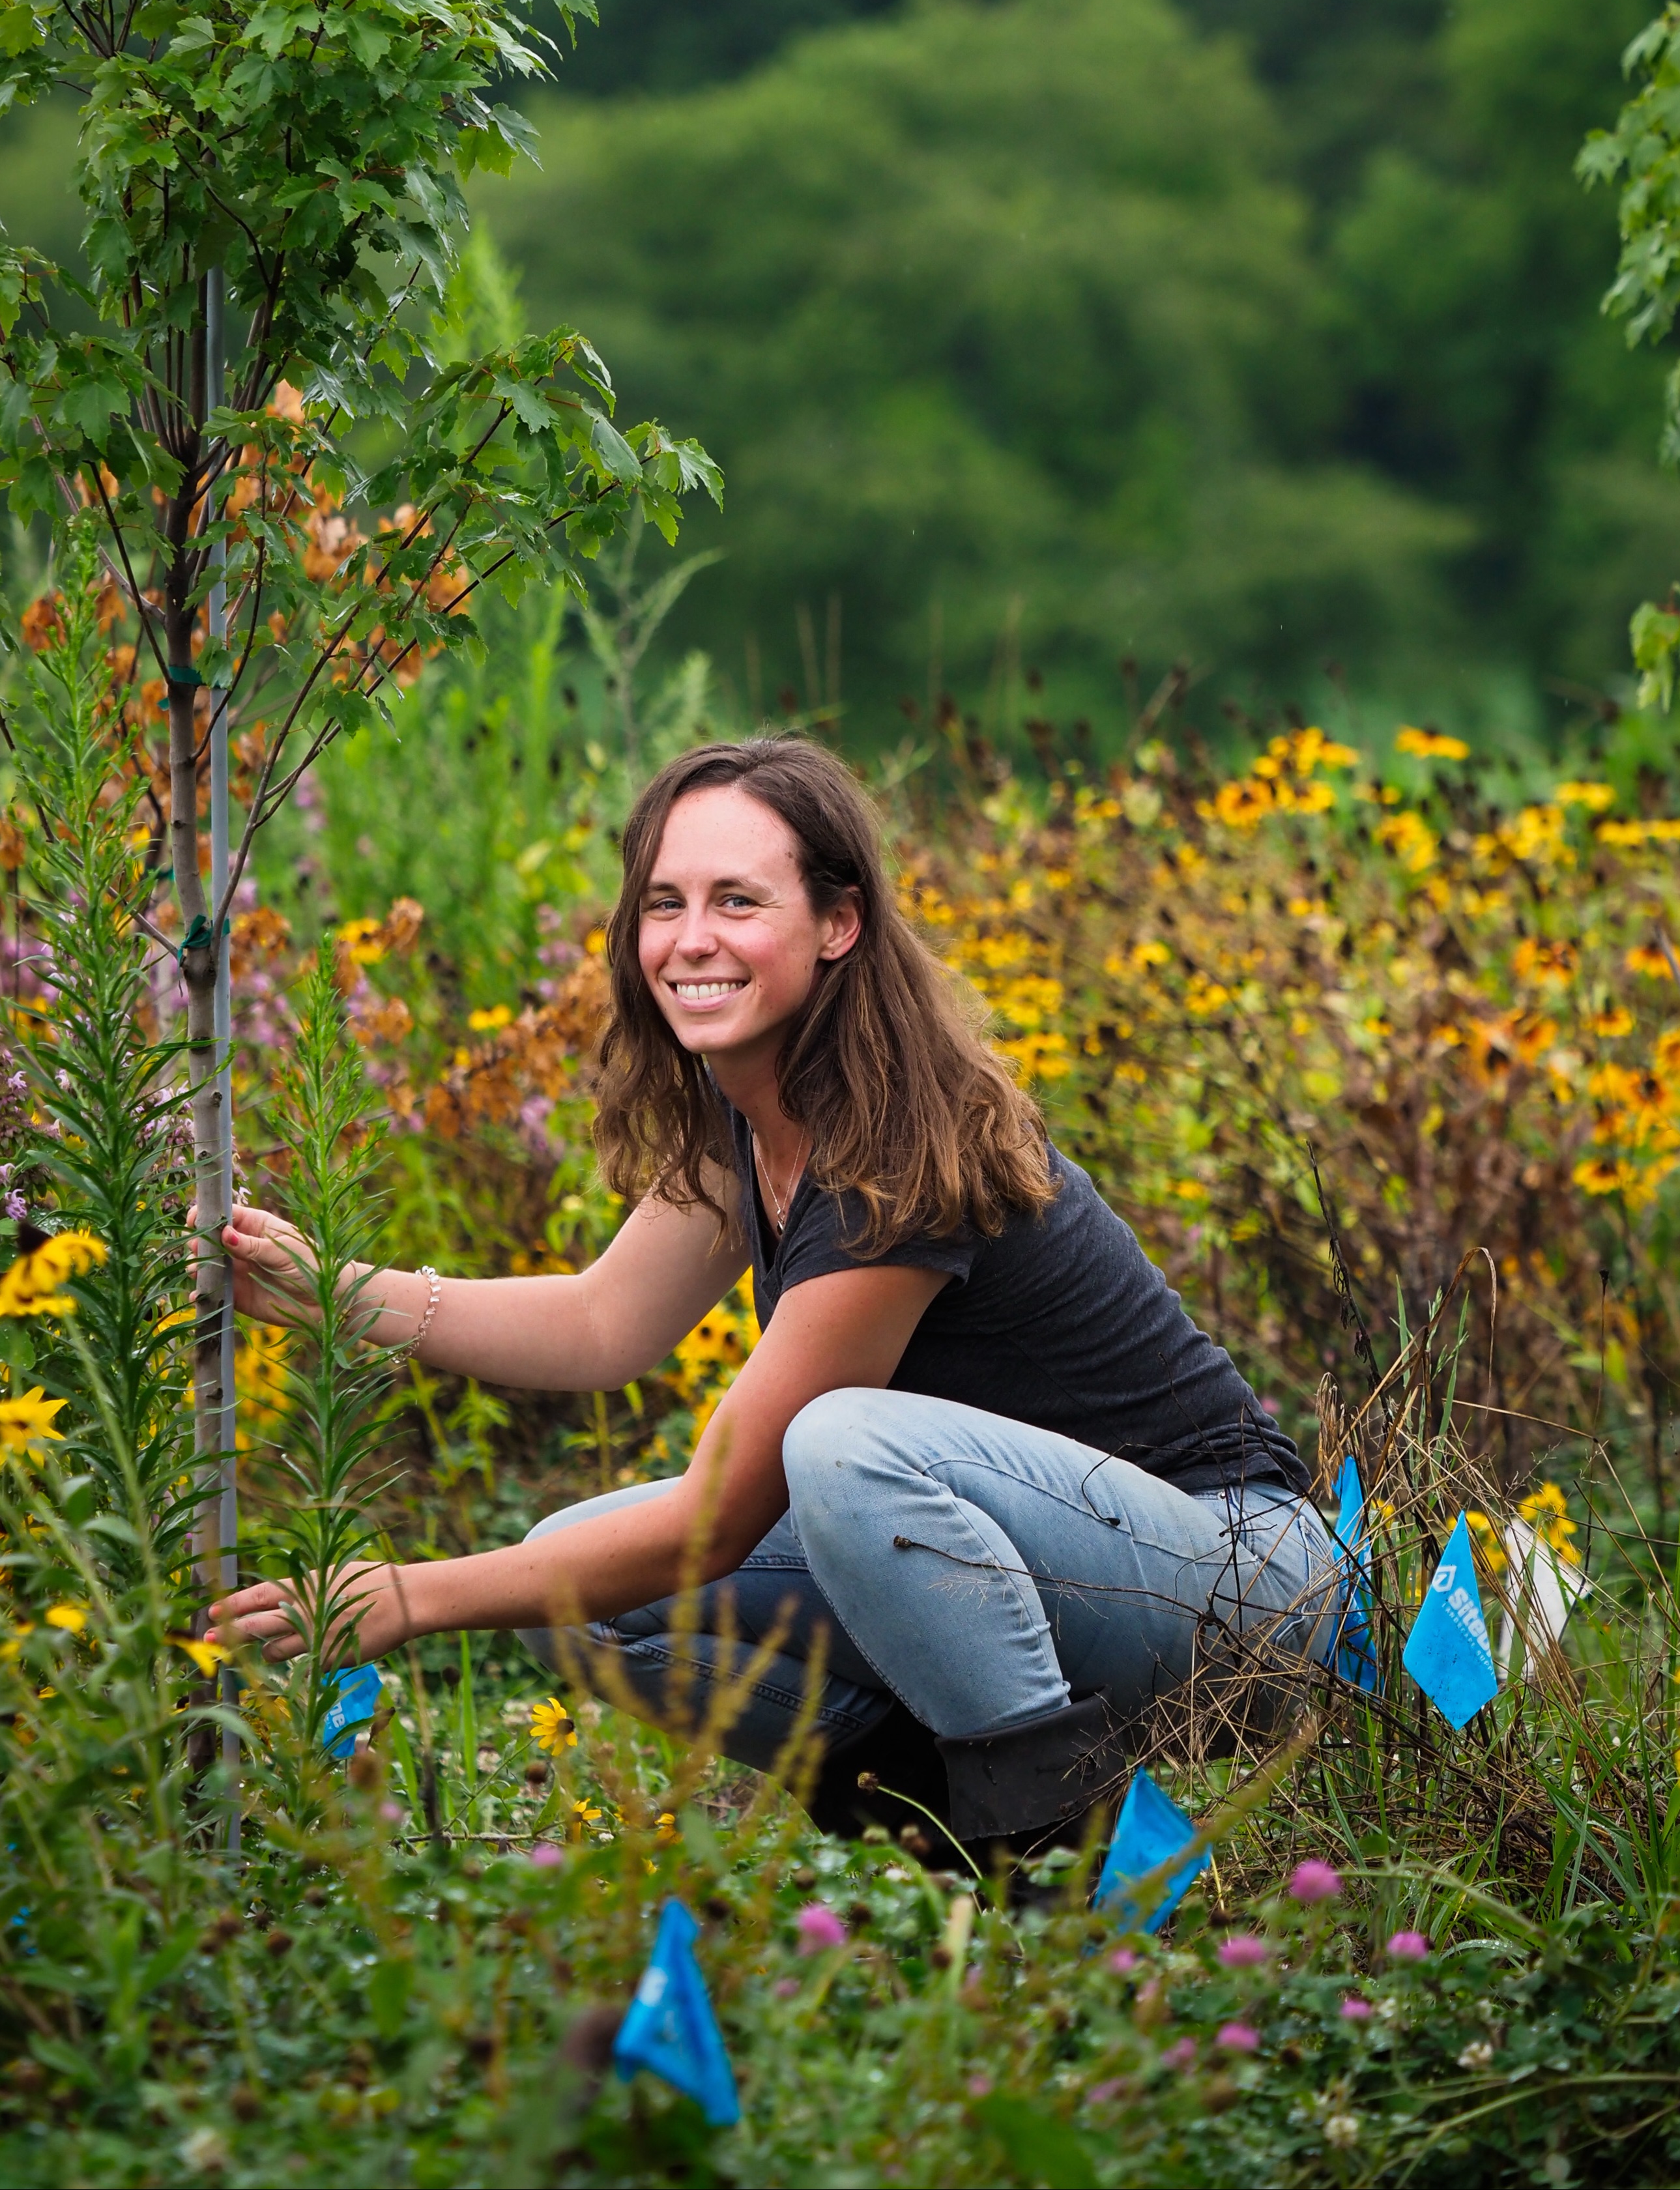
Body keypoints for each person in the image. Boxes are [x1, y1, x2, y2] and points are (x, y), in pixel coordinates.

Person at [206, 738, 1335, 1868]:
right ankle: (956, 1825)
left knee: (839, 1447)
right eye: (665, 902)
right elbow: (606, 1323)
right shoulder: (751, 1121)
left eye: (737, 901)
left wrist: (406, 1595)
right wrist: (340, 1296)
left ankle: (1074, 1870)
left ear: (837, 923)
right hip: (1051, 1581)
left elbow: (716, 1522)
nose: (691, 939)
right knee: (573, 1573)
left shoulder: (896, 1143)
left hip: (1248, 1588)